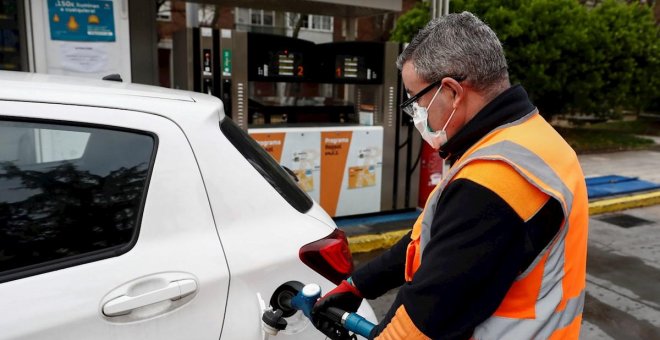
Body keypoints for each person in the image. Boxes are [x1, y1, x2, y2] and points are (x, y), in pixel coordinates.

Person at [311, 11, 589, 340]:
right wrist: (360, 285)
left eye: (417, 100)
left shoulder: (496, 181)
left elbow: (426, 318)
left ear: (452, 93)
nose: (416, 114)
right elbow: (428, 239)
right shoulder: (529, 138)